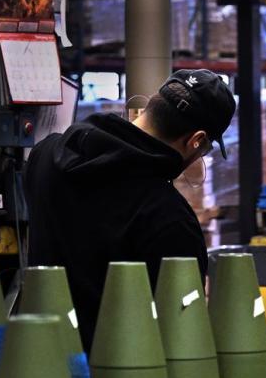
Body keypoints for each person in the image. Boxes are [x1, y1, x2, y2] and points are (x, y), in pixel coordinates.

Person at [25, 69, 236, 352]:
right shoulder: (169, 218)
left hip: (31, 366)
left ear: (151, 104)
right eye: (205, 149)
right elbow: (180, 334)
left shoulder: (45, 157)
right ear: (196, 140)